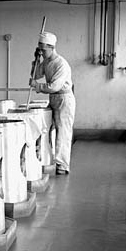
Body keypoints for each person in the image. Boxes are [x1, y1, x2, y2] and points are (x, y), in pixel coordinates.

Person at [29, 31, 75, 175]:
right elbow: (36, 75)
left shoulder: (61, 64)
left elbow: (54, 86)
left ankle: (62, 165)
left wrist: (38, 86)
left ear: (52, 47)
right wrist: (36, 60)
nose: (41, 52)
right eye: (40, 49)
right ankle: (49, 158)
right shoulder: (46, 62)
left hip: (63, 99)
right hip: (53, 98)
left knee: (63, 131)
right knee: (48, 129)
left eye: (43, 50)